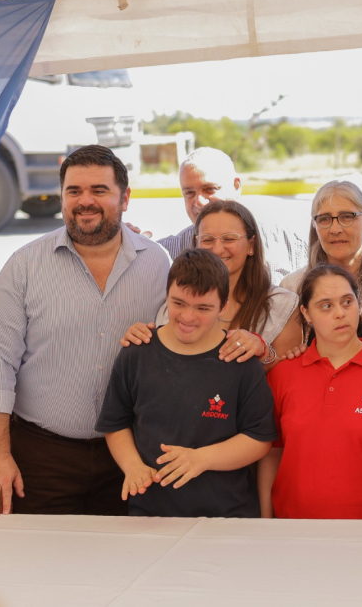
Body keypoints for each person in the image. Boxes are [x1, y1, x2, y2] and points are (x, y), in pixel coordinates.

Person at [0, 145, 171, 517]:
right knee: (42, 568)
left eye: (99, 190)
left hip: (129, 459)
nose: (85, 201)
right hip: (43, 459)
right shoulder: (24, 266)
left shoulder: (157, 264)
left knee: (123, 567)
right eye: (74, 191)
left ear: (125, 198)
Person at [96, 250, 276, 518]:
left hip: (227, 515)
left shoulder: (241, 361)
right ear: (166, 295)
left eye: (203, 308)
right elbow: (115, 423)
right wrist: (133, 466)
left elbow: (259, 439)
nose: (188, 317)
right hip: (151, 513)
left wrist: (200, 459)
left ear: (223, 306)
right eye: (178, 303)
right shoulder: (136, 353)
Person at [258, 264, 362, 520]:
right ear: (306, 313)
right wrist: (265, 523)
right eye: (326, 305)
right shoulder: (282, 375)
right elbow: (272, 454)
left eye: (347, 302)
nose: (340, 313)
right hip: (293, 535)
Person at [122, 201, 302, 371]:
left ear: (251, 245)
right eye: (207, 240)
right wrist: (141, 339)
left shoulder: (282, 306)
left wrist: (263, 353)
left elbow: (290, 379)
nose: (217, 249)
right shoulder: (169, 307)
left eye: (229, 239)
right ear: (196, 245)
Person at [281, 180, 362, 353]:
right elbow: (283, 363)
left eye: (347, 217)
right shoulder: (292, 289)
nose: (335, 229)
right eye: (325, 219)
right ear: (315, 226)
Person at [153, 147, 307, 285]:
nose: (198, 201)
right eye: (189, 193)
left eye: (210, 189)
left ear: (236, 187)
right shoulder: (164, 256)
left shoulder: (287, 244)